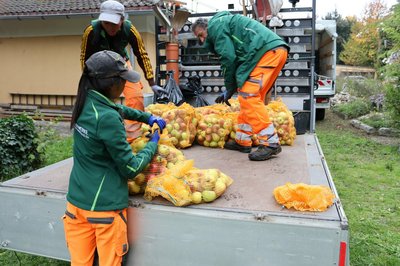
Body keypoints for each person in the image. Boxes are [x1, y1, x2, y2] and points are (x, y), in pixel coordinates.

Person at [63, 50, 166, 265]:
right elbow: (130, 168)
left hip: (76, 206)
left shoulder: (85, 101)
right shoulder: (107, 118)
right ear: (111, 84)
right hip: (104, 211)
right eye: (124, 81)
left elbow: (117, 109)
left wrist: (147, 117)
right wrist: (153, 143)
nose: (125, 86)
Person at [192, 12, 289, 161]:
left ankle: (270, 143)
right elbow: (237, 57)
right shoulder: (224, 24)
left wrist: (229, 88)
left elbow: (229, 58)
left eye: (201, 34)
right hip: (271, 51)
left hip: (267, 51)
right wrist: (232, 88)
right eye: (198, 38)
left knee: (248, 97)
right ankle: (243, 140)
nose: (202, 39)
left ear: (206, 27)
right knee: (247, 97)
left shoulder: (215, 27)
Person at [80, 0, 165, 142]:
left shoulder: (130, 30)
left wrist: (152, 82)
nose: (110, 27)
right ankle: (99, 135)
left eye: (114, 23)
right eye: (106, 23)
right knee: (99, 100)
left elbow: (141, 54)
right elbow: (84, 56)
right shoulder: (91, 31)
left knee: (136, 95)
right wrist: (87, 79)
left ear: (122, 19)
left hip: (121, 63)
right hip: (99, 68)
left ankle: (133, 138)